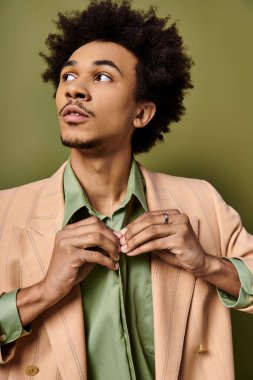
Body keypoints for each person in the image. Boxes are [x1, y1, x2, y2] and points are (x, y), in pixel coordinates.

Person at [0, 1, 253, 379]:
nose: (75, 91)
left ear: (141, 113)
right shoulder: (6, 212)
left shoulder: (202, 202)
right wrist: (44, 290)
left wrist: (208, 265)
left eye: (101, 77)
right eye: (68, 77)